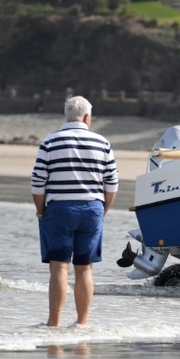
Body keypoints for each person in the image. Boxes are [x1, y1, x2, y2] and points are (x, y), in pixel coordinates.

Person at [31, 95, 118, 327]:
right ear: (87, 117)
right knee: (84, 268)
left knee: (59, 267)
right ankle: (82, 322)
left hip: (59, 209)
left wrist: (40, 212)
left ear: (66, 116)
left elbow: (38, 183)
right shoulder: (102, 143)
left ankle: (53, 323)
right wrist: (102, 211)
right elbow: (112, 185)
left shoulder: (50, 142)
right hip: (92, 209)